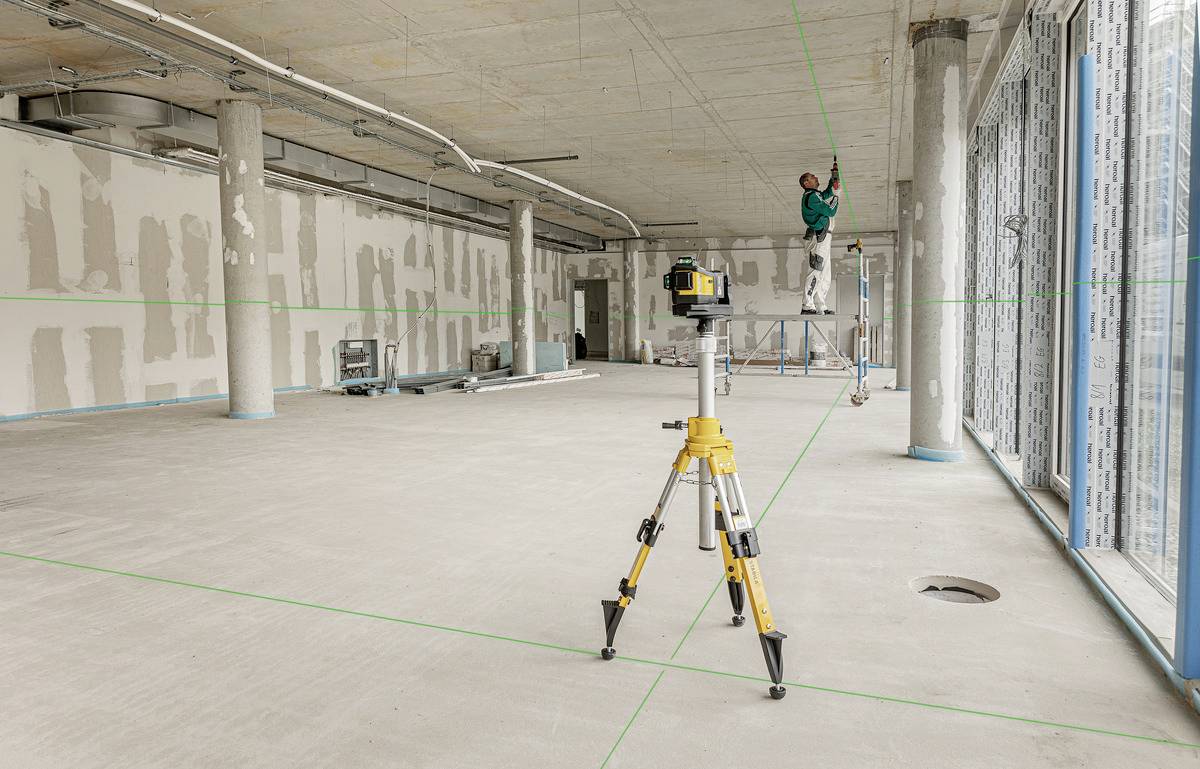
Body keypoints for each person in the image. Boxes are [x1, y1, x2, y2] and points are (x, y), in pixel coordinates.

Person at [799, 164, 840, 315]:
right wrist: (836, 196)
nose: (816, 177)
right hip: (818, 237)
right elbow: (830, 210)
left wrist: (833, 179)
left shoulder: (815, 196)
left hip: (823, 236)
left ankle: (819, 305)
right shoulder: (811, 197)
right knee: (816, 270)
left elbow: (826, 193)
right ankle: (807, 305)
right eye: (812, 177)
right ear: (806, 183)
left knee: (824, 273)